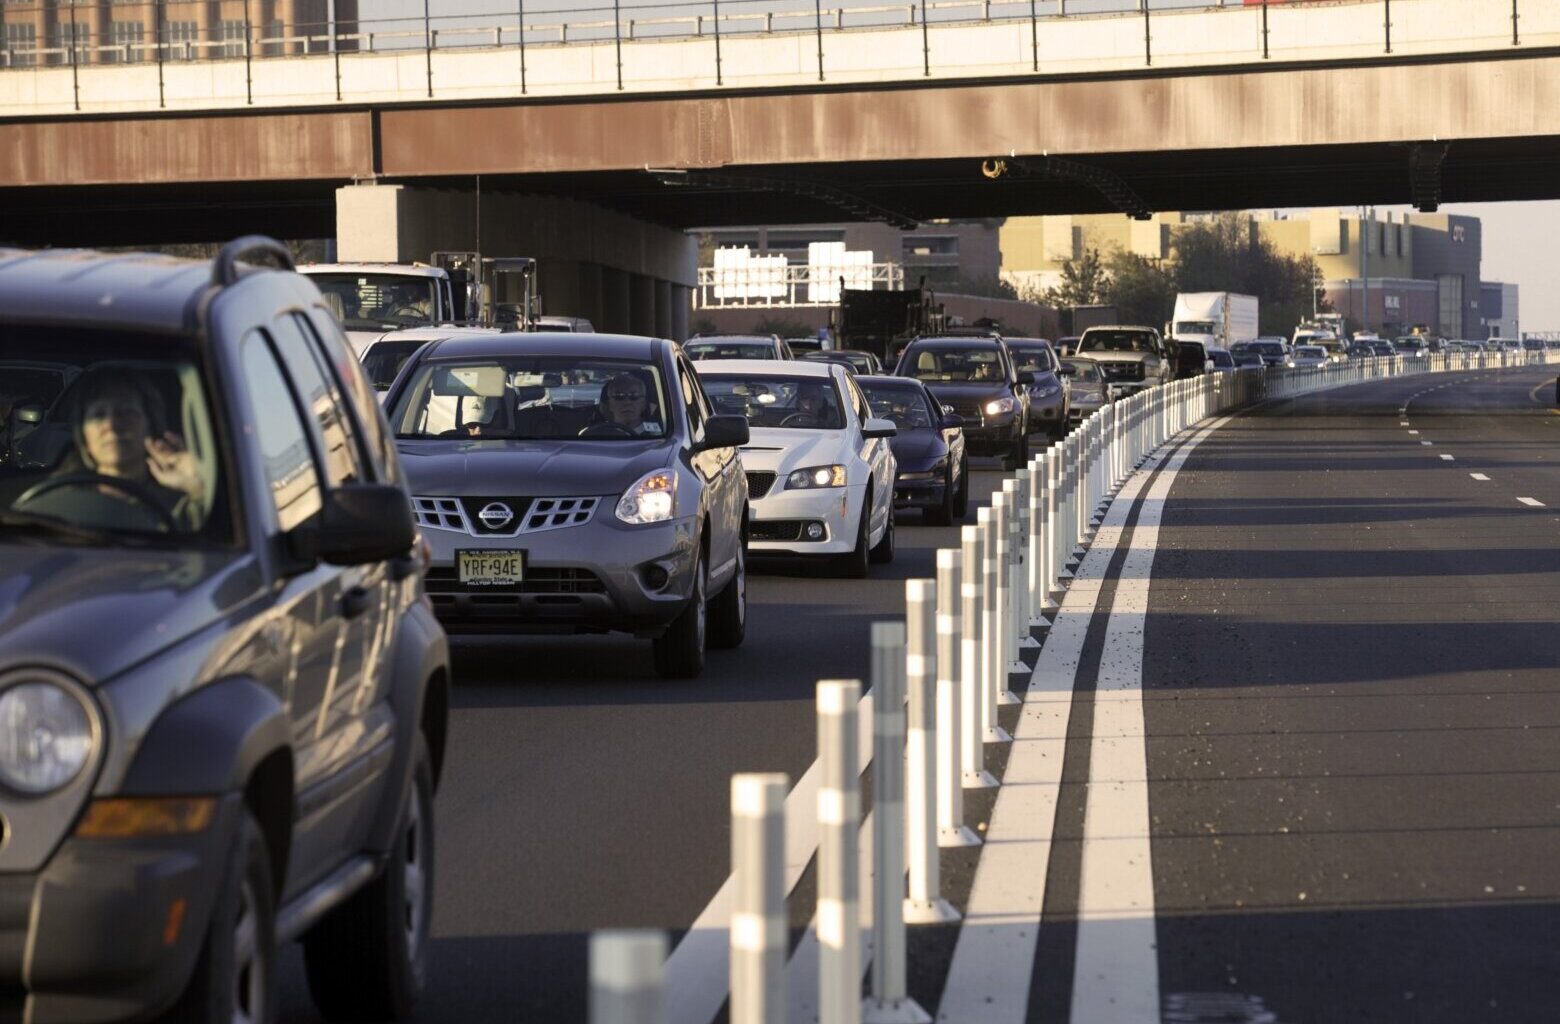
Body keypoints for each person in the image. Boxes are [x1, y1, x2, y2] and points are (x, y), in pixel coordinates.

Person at [17, 371, 205, 531]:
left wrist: (195, 486)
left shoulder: (181, 505)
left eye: (126, 412)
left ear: (151, 426)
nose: (111, 425)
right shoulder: (56, 503)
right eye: (98, 415)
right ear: (84, 437)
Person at [587, 372, 654, 436]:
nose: (627, 402)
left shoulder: (657, 435)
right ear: (610, 404)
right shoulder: (597, 434)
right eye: (619, 396)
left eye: (634, 396)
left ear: (644, 404)